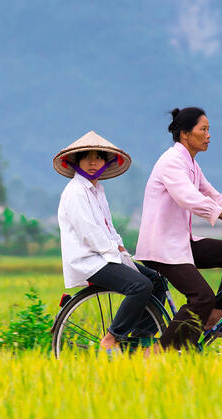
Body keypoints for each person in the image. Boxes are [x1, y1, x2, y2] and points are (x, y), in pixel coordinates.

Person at [135, 107, 222, 349]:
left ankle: (212, 319)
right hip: (161, 246)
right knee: (201, 296)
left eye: (209, 130)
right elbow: (187, 197)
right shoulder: (171, 161)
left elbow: (213, 196)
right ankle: (158, 353)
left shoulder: (190, 163)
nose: (209, 135)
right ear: (185, 134)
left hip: (182, 241)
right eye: (203, 129)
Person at [54, 131, 168, 354]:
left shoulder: (97, 190)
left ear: (106, 162)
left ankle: (141, 340)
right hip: (91, 260)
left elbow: (108, 228)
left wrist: (121, 250)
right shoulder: (76, 192)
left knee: (157, 281)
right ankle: (113, 337)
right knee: (140, 285)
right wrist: (116, 255)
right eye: (87, 157)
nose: (93, 162)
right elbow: (90, 233)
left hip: (105, 256)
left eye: (99, 157)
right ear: (77, 162)